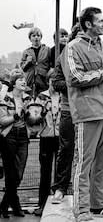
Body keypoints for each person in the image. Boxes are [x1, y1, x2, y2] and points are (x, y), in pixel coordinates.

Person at [65, 7, 103, 221]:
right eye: (100, 21)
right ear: (88, 24)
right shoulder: (72, 48)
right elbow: (75, 78)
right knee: (83, 162)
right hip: (88, 112)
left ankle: (98, 206)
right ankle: (81, 210)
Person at [50, 23, 80, 204]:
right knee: (66, 148)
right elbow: (56, 83)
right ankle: (61, 187)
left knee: (88, 151)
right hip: (69, 109)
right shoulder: (63, 57)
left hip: (89, 110)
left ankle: (88, 188)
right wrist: (75, 84)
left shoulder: (93, 55)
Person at [0, 70, 32, 218]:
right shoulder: (6, 97)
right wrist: (16, 115)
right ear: (14, 83)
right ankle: (14, 205)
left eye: (24, 79)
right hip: (9, 136)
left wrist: (32, 115)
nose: (24, 81)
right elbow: (2, 120)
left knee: (19, 172)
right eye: (20, 79)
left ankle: (5, 204)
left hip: (23, 136)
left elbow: (32, 121)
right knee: (11, 173)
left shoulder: (28, 98)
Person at [34, 73, 61, 216]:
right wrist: (42, 111)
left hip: (61, 138)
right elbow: (34, 117)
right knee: (45, 171)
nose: (54, 83)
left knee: (60, 172)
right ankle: (42, 203)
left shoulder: (65, 94)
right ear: (48, 81)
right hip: (46, 136)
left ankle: (58, 203)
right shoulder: (41, 96)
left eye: (57, 81)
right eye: (52, 80)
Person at [20, 27, 51, 97]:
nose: (36, 38)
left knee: (43, 99)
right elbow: (23, 67)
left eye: (38, 35)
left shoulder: (47, 50)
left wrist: (48, 75)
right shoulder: (26, 51)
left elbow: (51, 64)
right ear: (30, 38)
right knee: (29, 101)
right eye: (33, 36)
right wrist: (27, 62)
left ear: (41, 37)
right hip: (30, 81)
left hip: (43, 80)